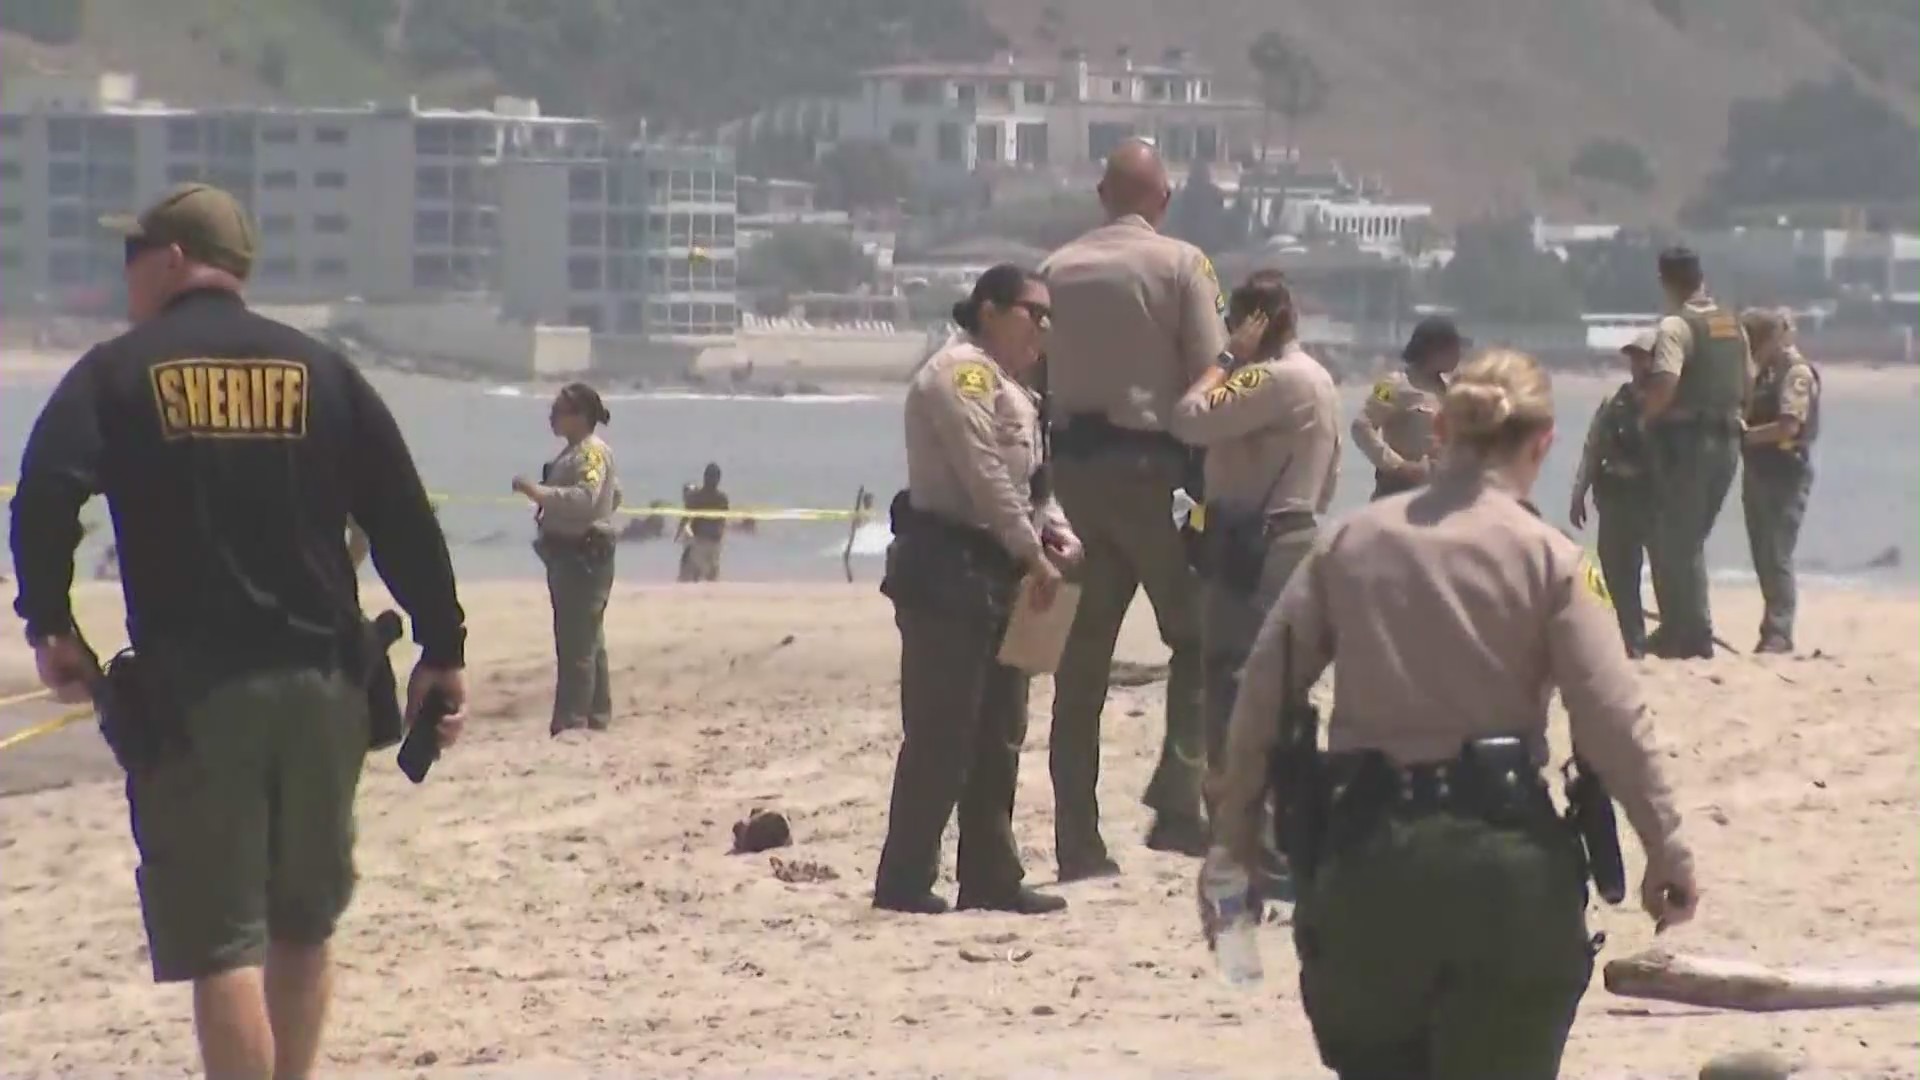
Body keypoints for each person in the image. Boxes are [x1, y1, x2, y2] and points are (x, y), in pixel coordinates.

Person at [7, 182, 469, 1080]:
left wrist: (52, 622)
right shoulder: (322, 372)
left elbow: (45, 497)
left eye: (132, 256)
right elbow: (406, 519)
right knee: (303, 925)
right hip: (327, 688)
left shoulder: (118, 372)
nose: (126, 276)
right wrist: (442, 651)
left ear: (173, 260)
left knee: (222, 946)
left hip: (199, 696)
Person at [1208, 349, 1699, 1079]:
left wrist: (1234, 844)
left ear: (1439, 429)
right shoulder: (1550, 557)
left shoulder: (1349, 542)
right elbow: (1610, 719)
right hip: (1504, 873)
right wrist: (1667, 845)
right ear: (1544, 444)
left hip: (1366, 864)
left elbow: (1263, 696)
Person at [1038, 138, 1228, 877]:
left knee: (1079, 670)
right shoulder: (1182, 263)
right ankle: (1179, 800)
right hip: (1154, 473)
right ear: (1164, 198)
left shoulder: (1056, 269)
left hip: (1074, 476)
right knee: (1198, 638)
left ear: (1100, 194)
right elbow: (1210, 374)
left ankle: (1076, 841)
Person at [873, 264, 1080, 915]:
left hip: (1001, 572)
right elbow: (984, 474)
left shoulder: (1015, 388)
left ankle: (989, 874)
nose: (1042, 327)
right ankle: (906, 878)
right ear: (988, 309)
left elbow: (1033, 484)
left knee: (1000, 730)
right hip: (948, 568)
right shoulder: (958, 374)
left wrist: (1058, 535)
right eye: (1031, 311)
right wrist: (1032, 552)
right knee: (943, 731)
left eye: (1049, 316)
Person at [1166, 271, 1339, 821]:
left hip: (1257, 544)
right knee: (1282, 680)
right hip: (1296, 530)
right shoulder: (1318, 376)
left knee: (1234, 675)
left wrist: (1226, 358)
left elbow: (1188, 419)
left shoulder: (1269, 378)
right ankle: (1278, 815)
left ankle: (1243, 815)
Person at [1641, 246, 1751, 660]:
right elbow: (1749, 382)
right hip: (1727, 441)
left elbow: (1666, 382)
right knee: (1689, 538)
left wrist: (1646, 418)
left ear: (1665, 281)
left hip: (1690, 442)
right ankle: (1684, 629)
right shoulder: (1730, 323)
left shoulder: (1676, 326)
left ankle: (1689, 634)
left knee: (1676, 540)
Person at [513, 382, 620, 735]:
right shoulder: (575, 453)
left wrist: (537, 493)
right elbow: (612, 495)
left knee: (576, 642)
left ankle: (572, 720)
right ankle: (596, 714)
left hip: (581, 557)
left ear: (580, 416)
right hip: (570, 553)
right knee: (588, 638)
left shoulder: (590, 453)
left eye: (560, 410)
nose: (553, 415)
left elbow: (586, 498)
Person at [1569, 330, 1660, 656]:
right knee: (1619, 574)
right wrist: (1579, 493)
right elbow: (1594, 448)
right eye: (1634, 356)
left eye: (1645, 356)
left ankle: (1672, 635)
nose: (1639, 364)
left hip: (1655, 499)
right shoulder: (1616, 403)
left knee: (1666, 572)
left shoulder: (1672, 402)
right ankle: (1632, 641)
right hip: (1617, 498)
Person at [1740, 307, 1820, 654]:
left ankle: (1779, 632)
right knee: (1763, 552)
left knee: (1777, 553)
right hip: (1760, 470)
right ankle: (1771, 629)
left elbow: (1788, 426)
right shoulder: (1765, 374)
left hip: (1784, 472)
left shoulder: (1794, 374)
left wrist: (1745, 437)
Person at [1351, 315, 1468, 499]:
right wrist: (1397, 465)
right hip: (1398, 490)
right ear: (1434, 350)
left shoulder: (1449, 389)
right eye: (1453, 349)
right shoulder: (1391, 384)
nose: (1459, 355)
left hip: (1436, 492)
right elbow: (1362, 426)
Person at [676, 462, 730, 582]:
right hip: (706, 541)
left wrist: (678, 533)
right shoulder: (720, 498)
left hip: (707, 542)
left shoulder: (701, 497)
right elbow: (723, 520)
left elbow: (686, 517)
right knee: (705, 575)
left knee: (702, 575)